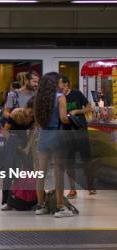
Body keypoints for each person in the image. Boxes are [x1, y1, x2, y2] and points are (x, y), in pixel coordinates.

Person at [34, 72, 73, 218]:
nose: (62, 84)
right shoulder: (60, 97)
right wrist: (72, 119)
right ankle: (59, 207)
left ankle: (40, 206)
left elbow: (37, 120)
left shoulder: (39, 98)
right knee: (58, 174)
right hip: (57, 136)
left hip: (43, 136)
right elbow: (63, 118)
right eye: (60, 82)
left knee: (41, 174)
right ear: (55, 83)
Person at [59, 75, 94, 197]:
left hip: (80, 131)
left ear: (66, 84)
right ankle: (72, 189)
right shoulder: (58, 97)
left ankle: (90, 186)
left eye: (59, 83)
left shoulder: (77, 94)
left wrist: (77, 111)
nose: (57, 86)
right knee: (69, 161)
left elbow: (90, 108)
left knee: (86, 159)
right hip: (66, 133)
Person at [0, 99, 35, 210]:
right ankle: (6, 201)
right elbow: (5, 130)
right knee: (9, 172)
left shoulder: (34, 117)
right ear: (26, 107)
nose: (32, 114)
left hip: (24, 141)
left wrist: (28, 147)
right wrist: (13, 144)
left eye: (34, 112)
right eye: (30, 111)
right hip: (11, 139)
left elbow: (32, 133)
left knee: (25, 172)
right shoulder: (16, 113)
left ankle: (23, 199)